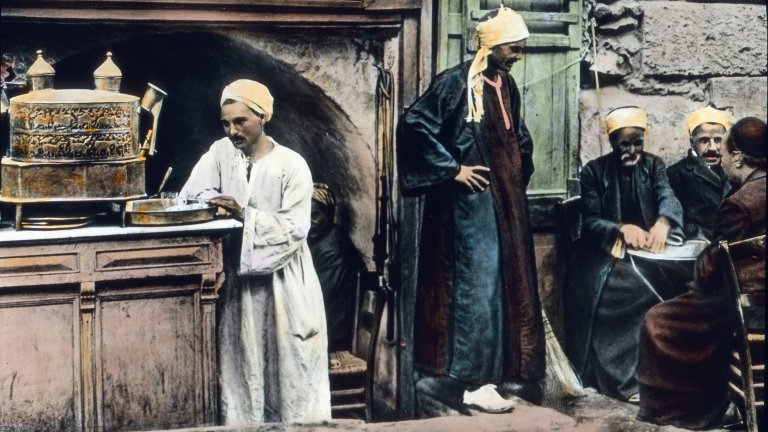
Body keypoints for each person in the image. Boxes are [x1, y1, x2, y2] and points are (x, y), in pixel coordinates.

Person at [397, 6, 544, 413]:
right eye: (513, 48)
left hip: (504, 205)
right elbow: (414, 124)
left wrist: (515, 174)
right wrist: (452, 169)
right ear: (493, 46)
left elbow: (519, 135)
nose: (517, 55)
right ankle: (467, 381)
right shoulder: (454, 83)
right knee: (475, 291)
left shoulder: (506, 85)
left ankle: (497, 375)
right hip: (468, 208)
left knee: (502, 285)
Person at [179, 79, 331, 424]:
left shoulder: (292, 165)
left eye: (240, 121)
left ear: (263, 118)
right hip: (239, 283)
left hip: (284, 284)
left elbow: (294, 229)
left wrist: (242, 213)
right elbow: (191, 193)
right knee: (243, 365)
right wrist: (212, 205)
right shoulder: (220, 153)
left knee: (288, 368)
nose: (232, 130)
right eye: (226, 122)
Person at [637, 117, 766, 429]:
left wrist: (700, 266)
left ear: (737, 156)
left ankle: (687, 412)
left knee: (657, 320)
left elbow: (713, 269)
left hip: (747, 305)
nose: (719, 161)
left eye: (723, 152)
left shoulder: (738, 203)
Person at [564, 107, 689, 402]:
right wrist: (620, 229)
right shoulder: (593, 171)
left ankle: (661, 377)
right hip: (605, 259)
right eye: (624, 144)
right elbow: (591, 221)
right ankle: (624, 382)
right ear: (612, 141)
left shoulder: (654, 165)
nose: (632, 150)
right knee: (628, 292)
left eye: (637, 143)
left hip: (648, 255)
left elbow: (667, 195)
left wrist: (664, 221)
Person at [308, 183, 363, 352]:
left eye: (314, 215)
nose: (308, 223)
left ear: (329, 214)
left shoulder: (333, 246)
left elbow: (318, 298)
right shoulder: (321, 239)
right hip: (321, 329)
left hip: (330, 337)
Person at [667, 106, 732, 240]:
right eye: (704, 140)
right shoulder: (676, 174)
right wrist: (695, 233)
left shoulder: (733, 171)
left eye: (718, 140)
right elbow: (671, 218)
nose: (712, 148)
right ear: (692, 142)